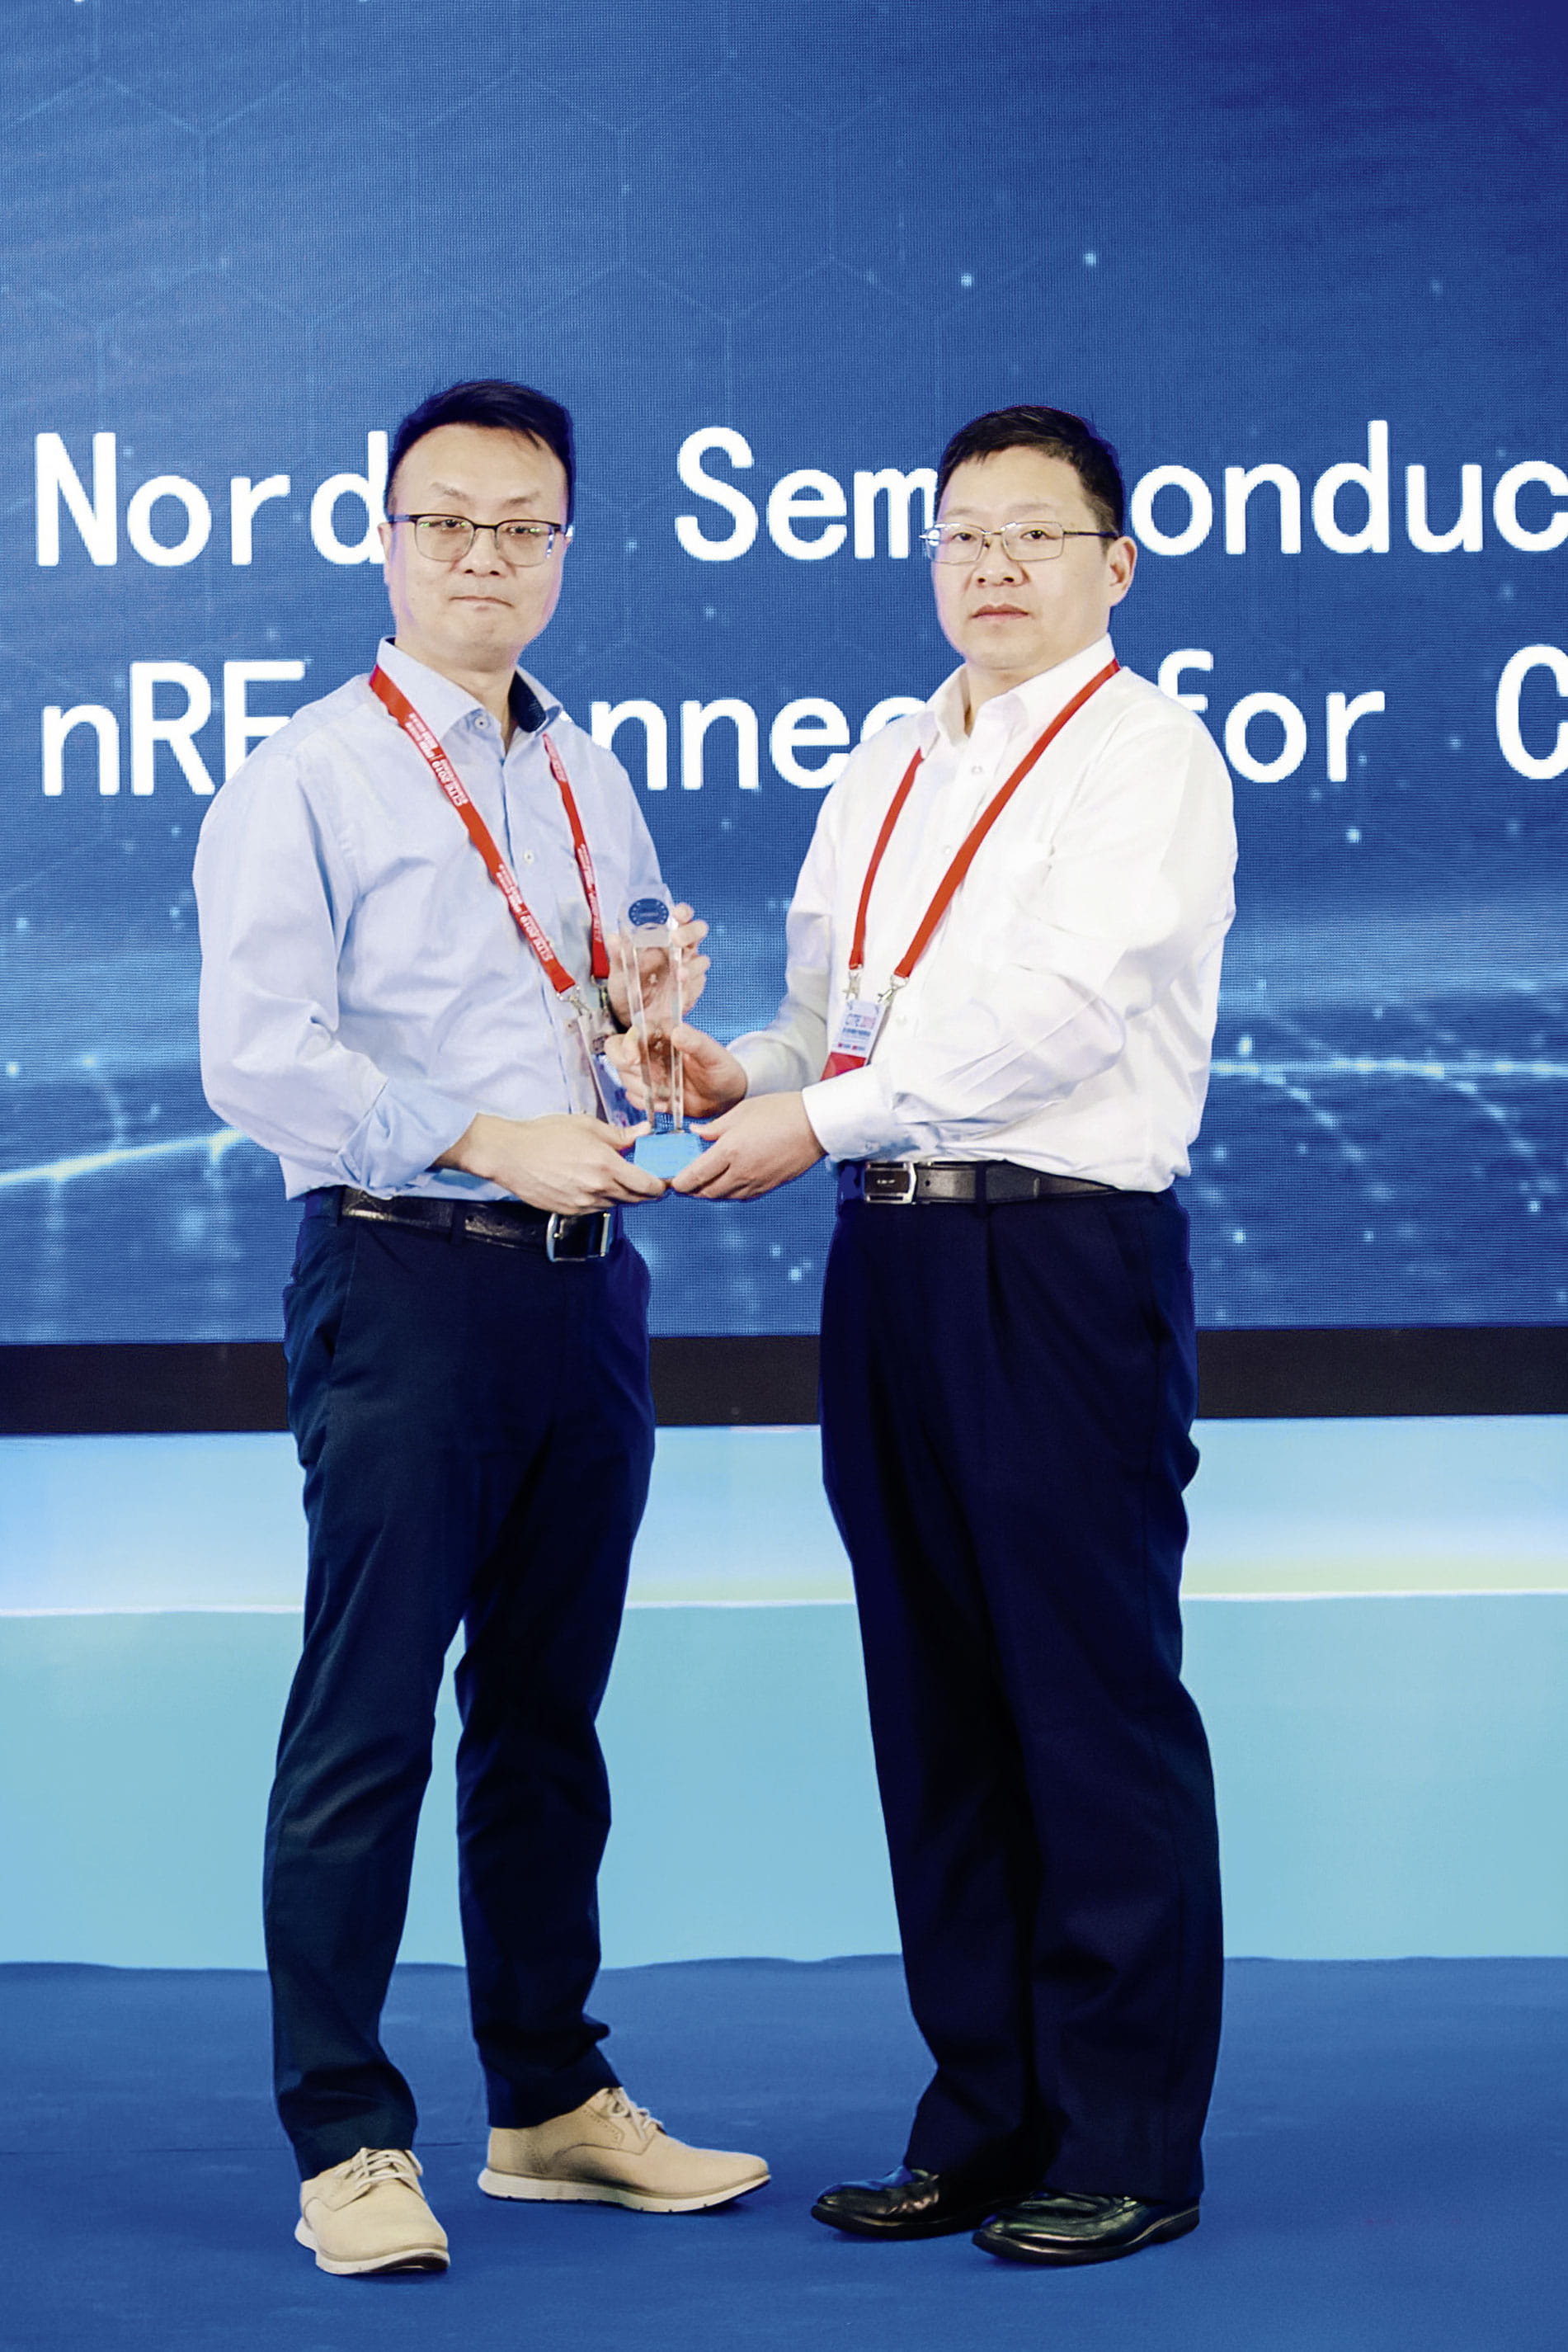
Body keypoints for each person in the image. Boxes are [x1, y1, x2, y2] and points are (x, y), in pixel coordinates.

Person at [194, 379, 768, 2278]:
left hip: (584, 1289)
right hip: (406, 1278)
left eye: (524, 527)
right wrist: (481, 1133)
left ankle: (549, 2101)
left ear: (566, 549)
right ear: (385, 539)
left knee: (544, 1719)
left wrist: (645, 1037)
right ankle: (348, 2138)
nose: (484, 557)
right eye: (447, 521)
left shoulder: (587, 770)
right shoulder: (305, 775)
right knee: (366, 1721)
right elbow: (258, 1055)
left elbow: (586, 1014)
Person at [659, 405, 1236, 2267]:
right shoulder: (887, 763)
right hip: (891, 1259)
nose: (993, 565)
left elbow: (1055, 1022)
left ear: (1113, 563)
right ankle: (983, 2121)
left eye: (1035, 534)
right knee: (937, 1703)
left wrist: (815, 1118)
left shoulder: (1148, 756)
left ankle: (1128, 2141)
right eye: (963, 534)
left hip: (1058, 1259)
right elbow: (834, 1021)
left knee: (1088, 1696)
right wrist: (731, 1069)